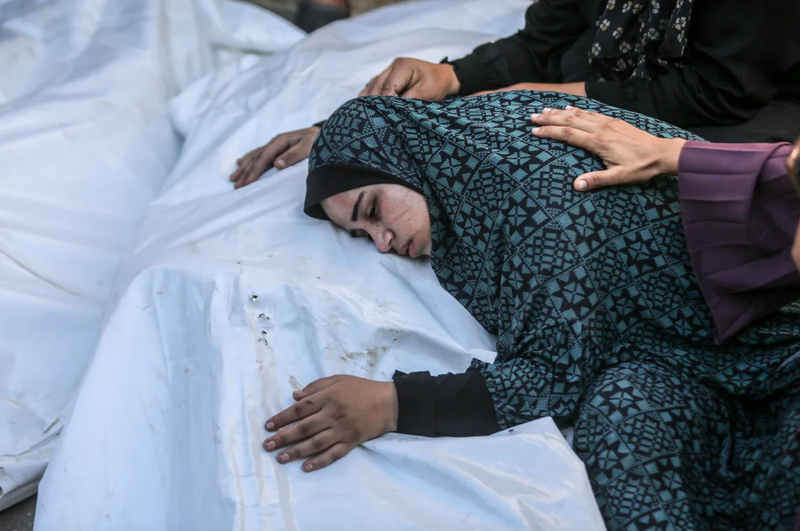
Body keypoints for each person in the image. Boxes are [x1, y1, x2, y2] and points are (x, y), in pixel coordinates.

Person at [260, 92, 800, 531]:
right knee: (621, 426)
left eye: (374, 211)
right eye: (361, 234)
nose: (381, 242)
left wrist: (391, 404)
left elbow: (557, 375)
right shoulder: (470, 141)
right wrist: (326, 133)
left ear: (402, 158)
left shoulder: (537, 206)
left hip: (770, 346)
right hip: (670, 351)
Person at [229, 0, 800, 188]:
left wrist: (537, 96)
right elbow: (544, 41)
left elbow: (720, 91)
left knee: (540, 155)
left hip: (749, 114)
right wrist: (453, 78)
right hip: (642, 83)